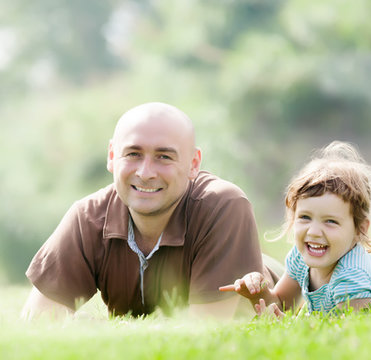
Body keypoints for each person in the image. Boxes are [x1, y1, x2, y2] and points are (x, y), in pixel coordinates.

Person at [22, 102, 279, 319]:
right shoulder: (88, 217)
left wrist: (96, 330)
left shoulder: (223, 205)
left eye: (164, 157)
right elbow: (38, 322)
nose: (145, 173)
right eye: (133, 154)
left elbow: (206, 335)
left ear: (193, 164)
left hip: (282, 286)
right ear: (112, 156)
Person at [220, 141, 371, 317]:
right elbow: (281, 304)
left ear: (360, 229)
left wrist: (293, 328)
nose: (314, 232)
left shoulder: (352, 279)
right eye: (305, 217)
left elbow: (353, 335)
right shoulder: (301, 258)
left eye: (330, 221)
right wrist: (258, 294)